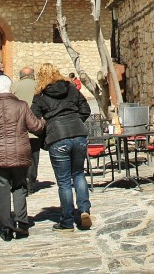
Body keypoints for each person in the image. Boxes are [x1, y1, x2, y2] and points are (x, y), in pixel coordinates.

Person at [0, 75, 46, 241]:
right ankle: (21, 222)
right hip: (19, 152)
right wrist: (44, 121)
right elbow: (35, 127)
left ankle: (6, 227)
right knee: (20, 186)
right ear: (10, 88)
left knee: (1, 191)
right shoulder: (21, 106)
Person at [31, 63, 92, 231]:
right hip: (78, 133)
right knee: (78, 173)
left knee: (64, 181)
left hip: (57, 136)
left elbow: (34, 121)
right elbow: (85, 109)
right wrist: (75, 121)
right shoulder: (71, 88)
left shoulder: (40, 96)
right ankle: (84, 210)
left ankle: (67, 221)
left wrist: (46, 131)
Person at [10, 66, 41, 194]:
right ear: (33, 75)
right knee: (33, 157)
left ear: (21, 75)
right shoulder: (39, 86)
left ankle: (20, 181)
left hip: (19, 128)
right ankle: (30, 183)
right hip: (35, 127)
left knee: (20, 156)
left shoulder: (15, 87)